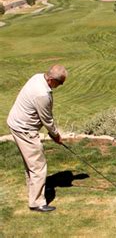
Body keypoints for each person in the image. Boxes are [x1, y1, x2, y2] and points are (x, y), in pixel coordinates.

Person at [7, 65, 67, 212]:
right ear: (52, 79)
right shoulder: (42, 95)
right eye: (59, 83)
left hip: (16, 123)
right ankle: (37, 202)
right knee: (38, 166)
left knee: (31, 163)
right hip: (24, 129)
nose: (59, 86)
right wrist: (56, 136)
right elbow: (47, 120)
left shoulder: (37, 77)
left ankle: (33, 191)